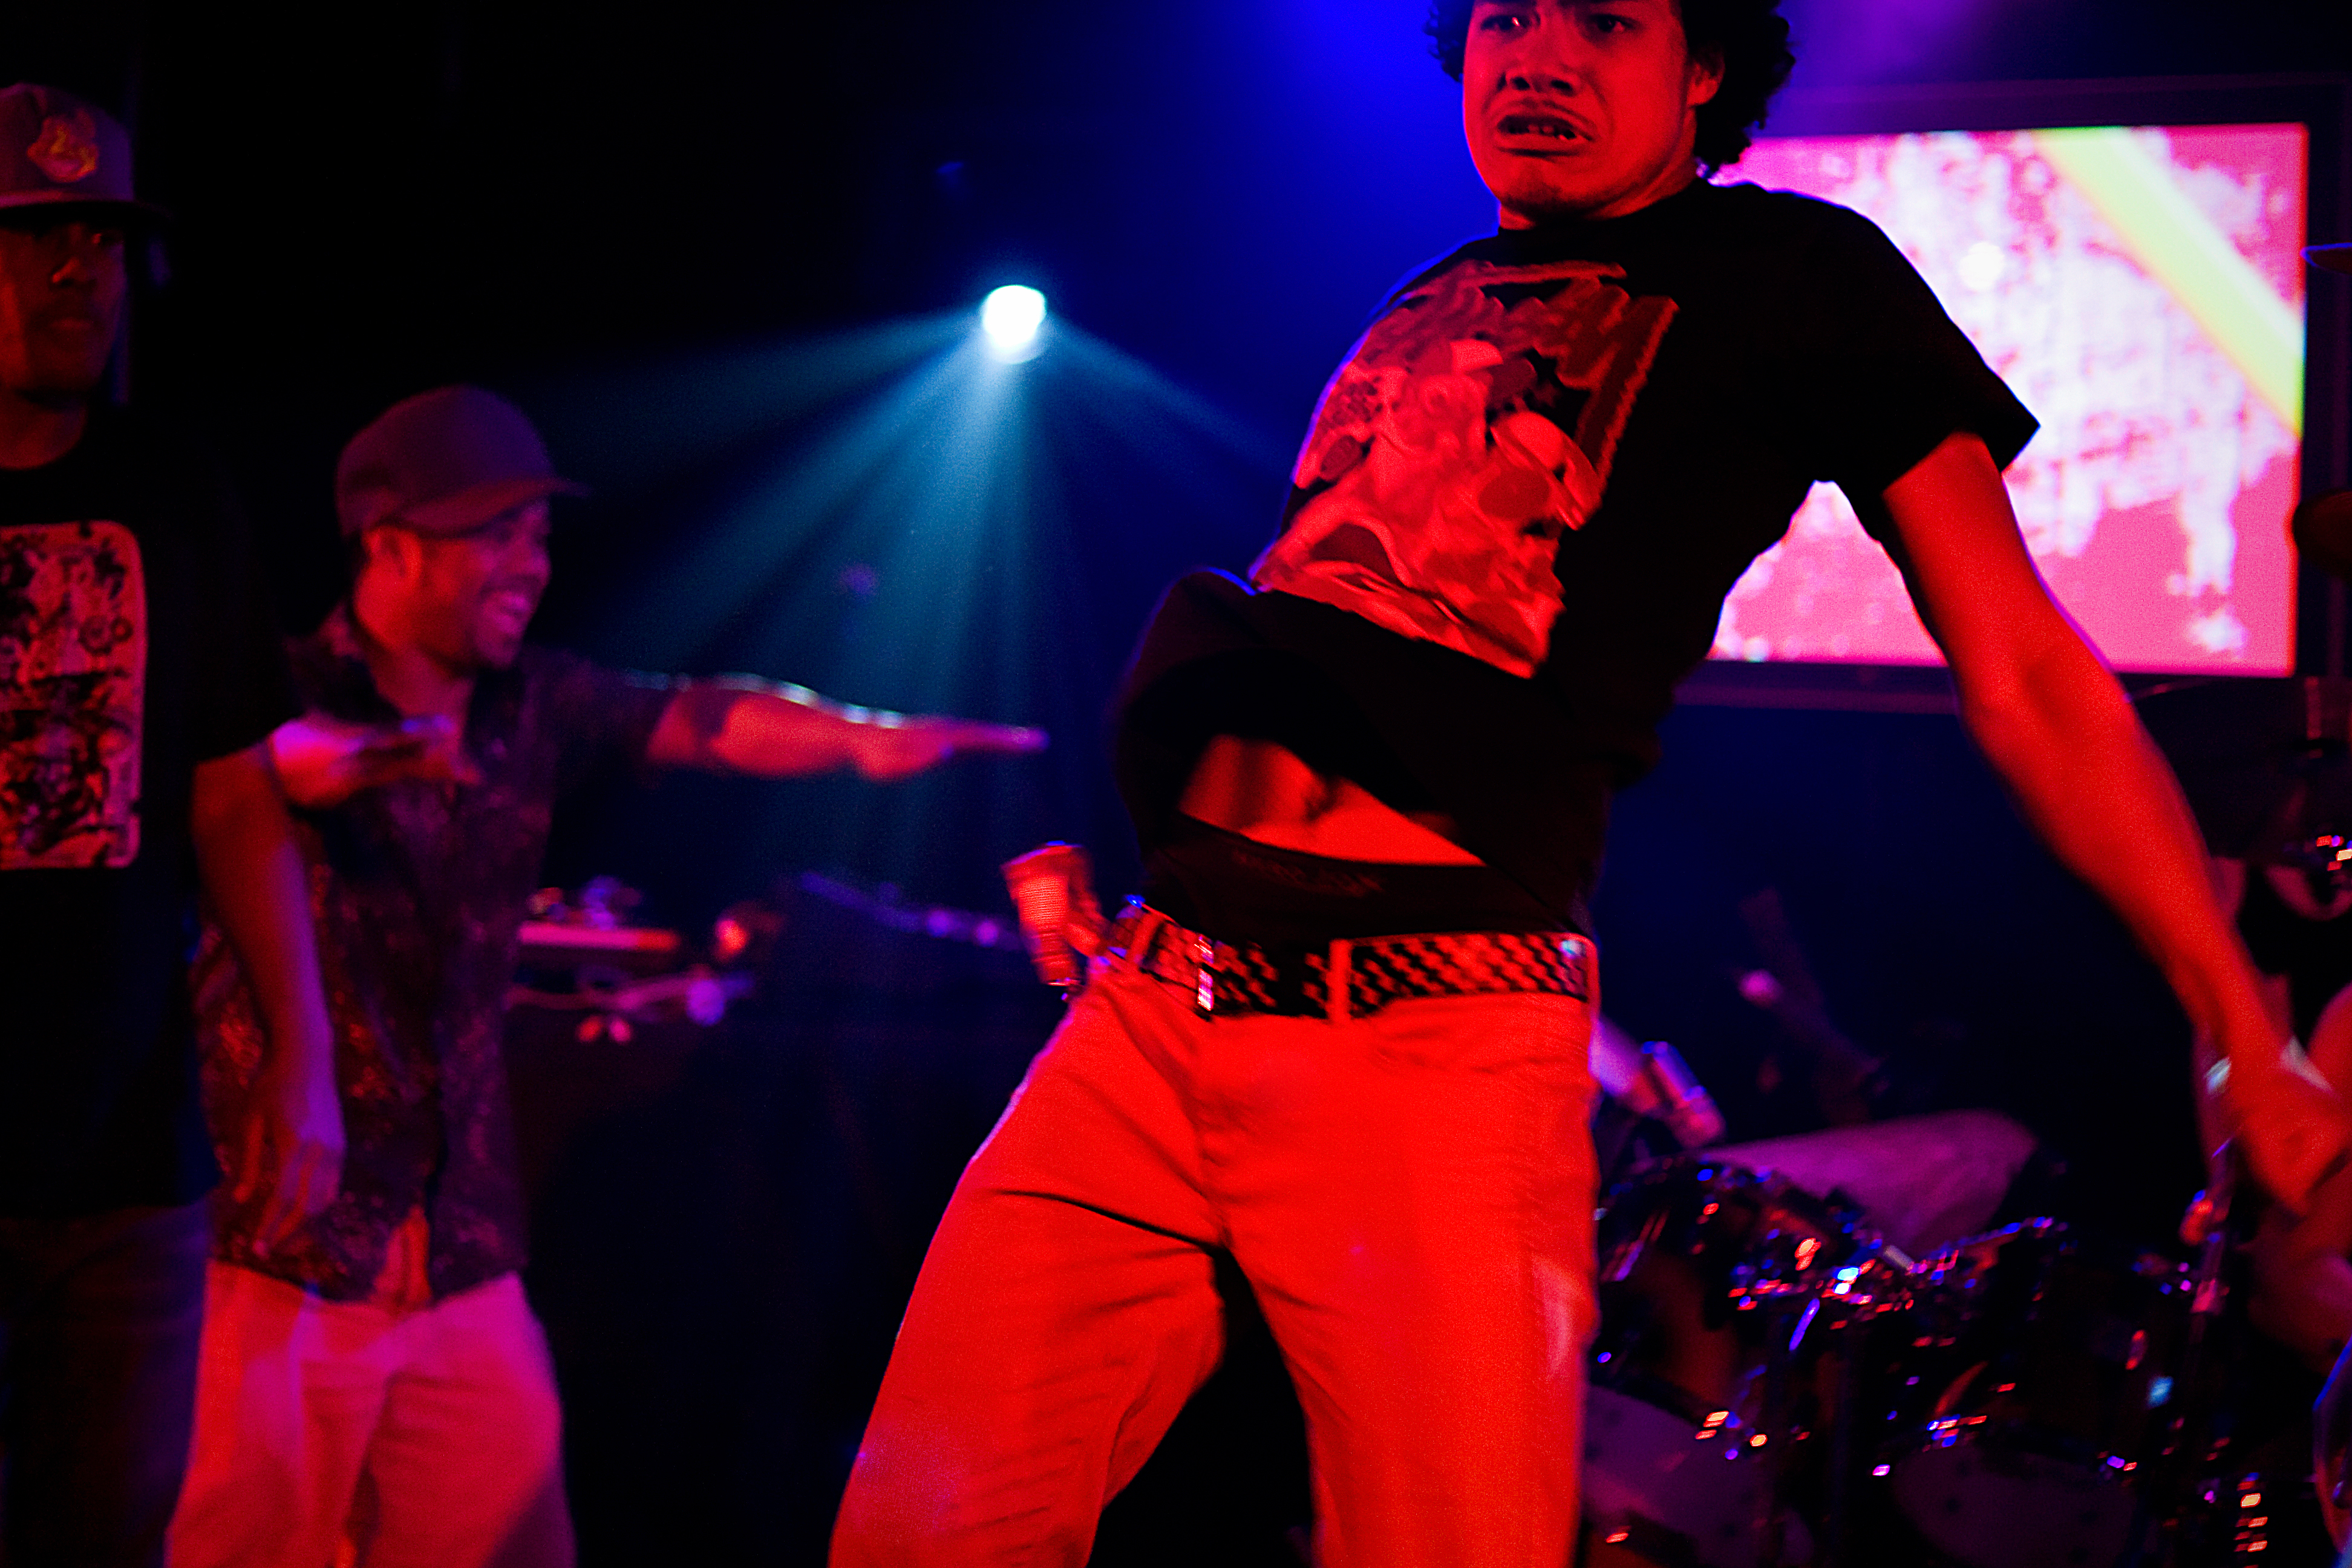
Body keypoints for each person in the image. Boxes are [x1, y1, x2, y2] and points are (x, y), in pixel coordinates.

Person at [828, 4, 2349, 1564]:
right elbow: (1330, 647)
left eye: (1604, 20)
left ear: (1704, 69)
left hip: (1418, 1046)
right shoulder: (1425, 297)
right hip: (1149, 1011)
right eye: (1503, 17)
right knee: (916, 1533)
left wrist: (2242, 1024)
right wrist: (1137, 836)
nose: (1535, 53)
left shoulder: (1798, 279)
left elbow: (2026, 671)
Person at [162, 383, 1044, 1568]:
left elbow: (702, 719)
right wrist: (340, 764)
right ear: (388, 546)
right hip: (283, 1253)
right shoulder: (269, 701)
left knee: (516, 1539)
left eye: (538, 534)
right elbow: (256, 773)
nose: (530, 563)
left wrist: (858, 738)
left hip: (463, 1255)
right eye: (495, 535)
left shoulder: (535, 706)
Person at [0, 83, 343, 1568]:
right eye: (34, 237)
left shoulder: (174, 487)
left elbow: (229, 790)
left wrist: (302, 1058)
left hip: (131, 1158)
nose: (81, 271)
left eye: (104, 238)